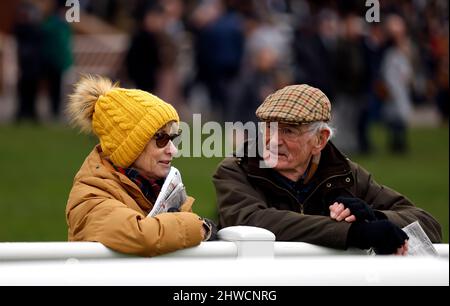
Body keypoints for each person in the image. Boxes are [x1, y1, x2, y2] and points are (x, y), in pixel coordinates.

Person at [213, 84, 442, 255]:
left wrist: (375, 217)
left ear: (320, 140)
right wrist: (354, 233)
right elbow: (255, 222)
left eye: (289, 131)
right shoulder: (237, 169)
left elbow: (427, 224)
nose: (273, 140)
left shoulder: (344, 172)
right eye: (268, 128)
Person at [66, 75, 215, 257]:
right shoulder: (90, 193)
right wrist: (198, 228)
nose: (173, 150)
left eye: (173, 138)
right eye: (161, 138)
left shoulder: (155, 186)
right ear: (128, 145)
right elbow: (140, 234)